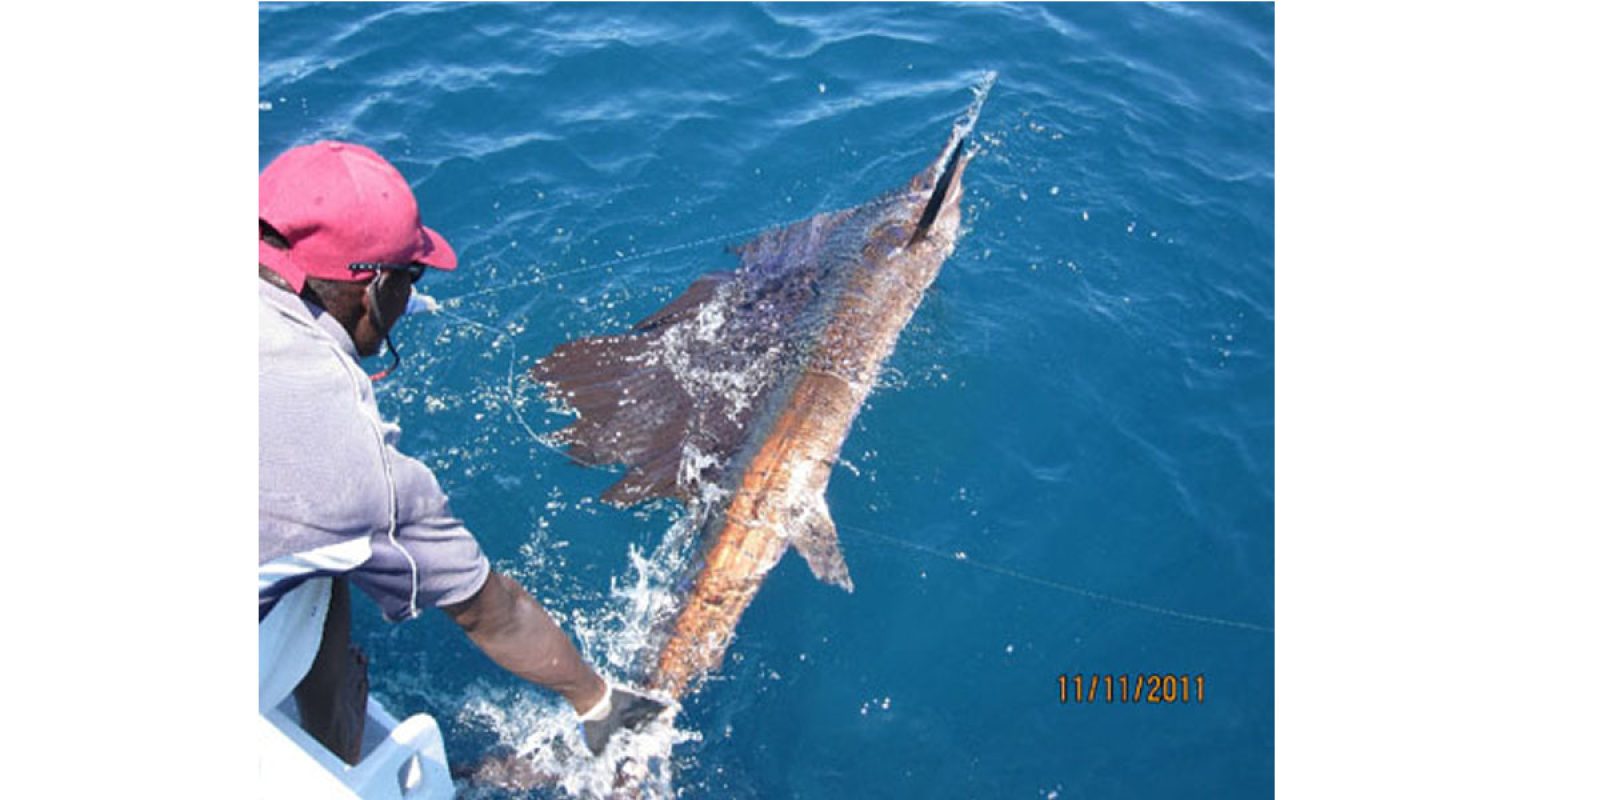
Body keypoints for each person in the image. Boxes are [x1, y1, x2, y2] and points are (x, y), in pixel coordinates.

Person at [257, 140, 663, 766]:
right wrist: (598, 700)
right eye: (408, 279)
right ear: (375, 290)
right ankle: (336, 744)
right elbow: (491, 611)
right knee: (328, 564)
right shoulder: (361, 477)